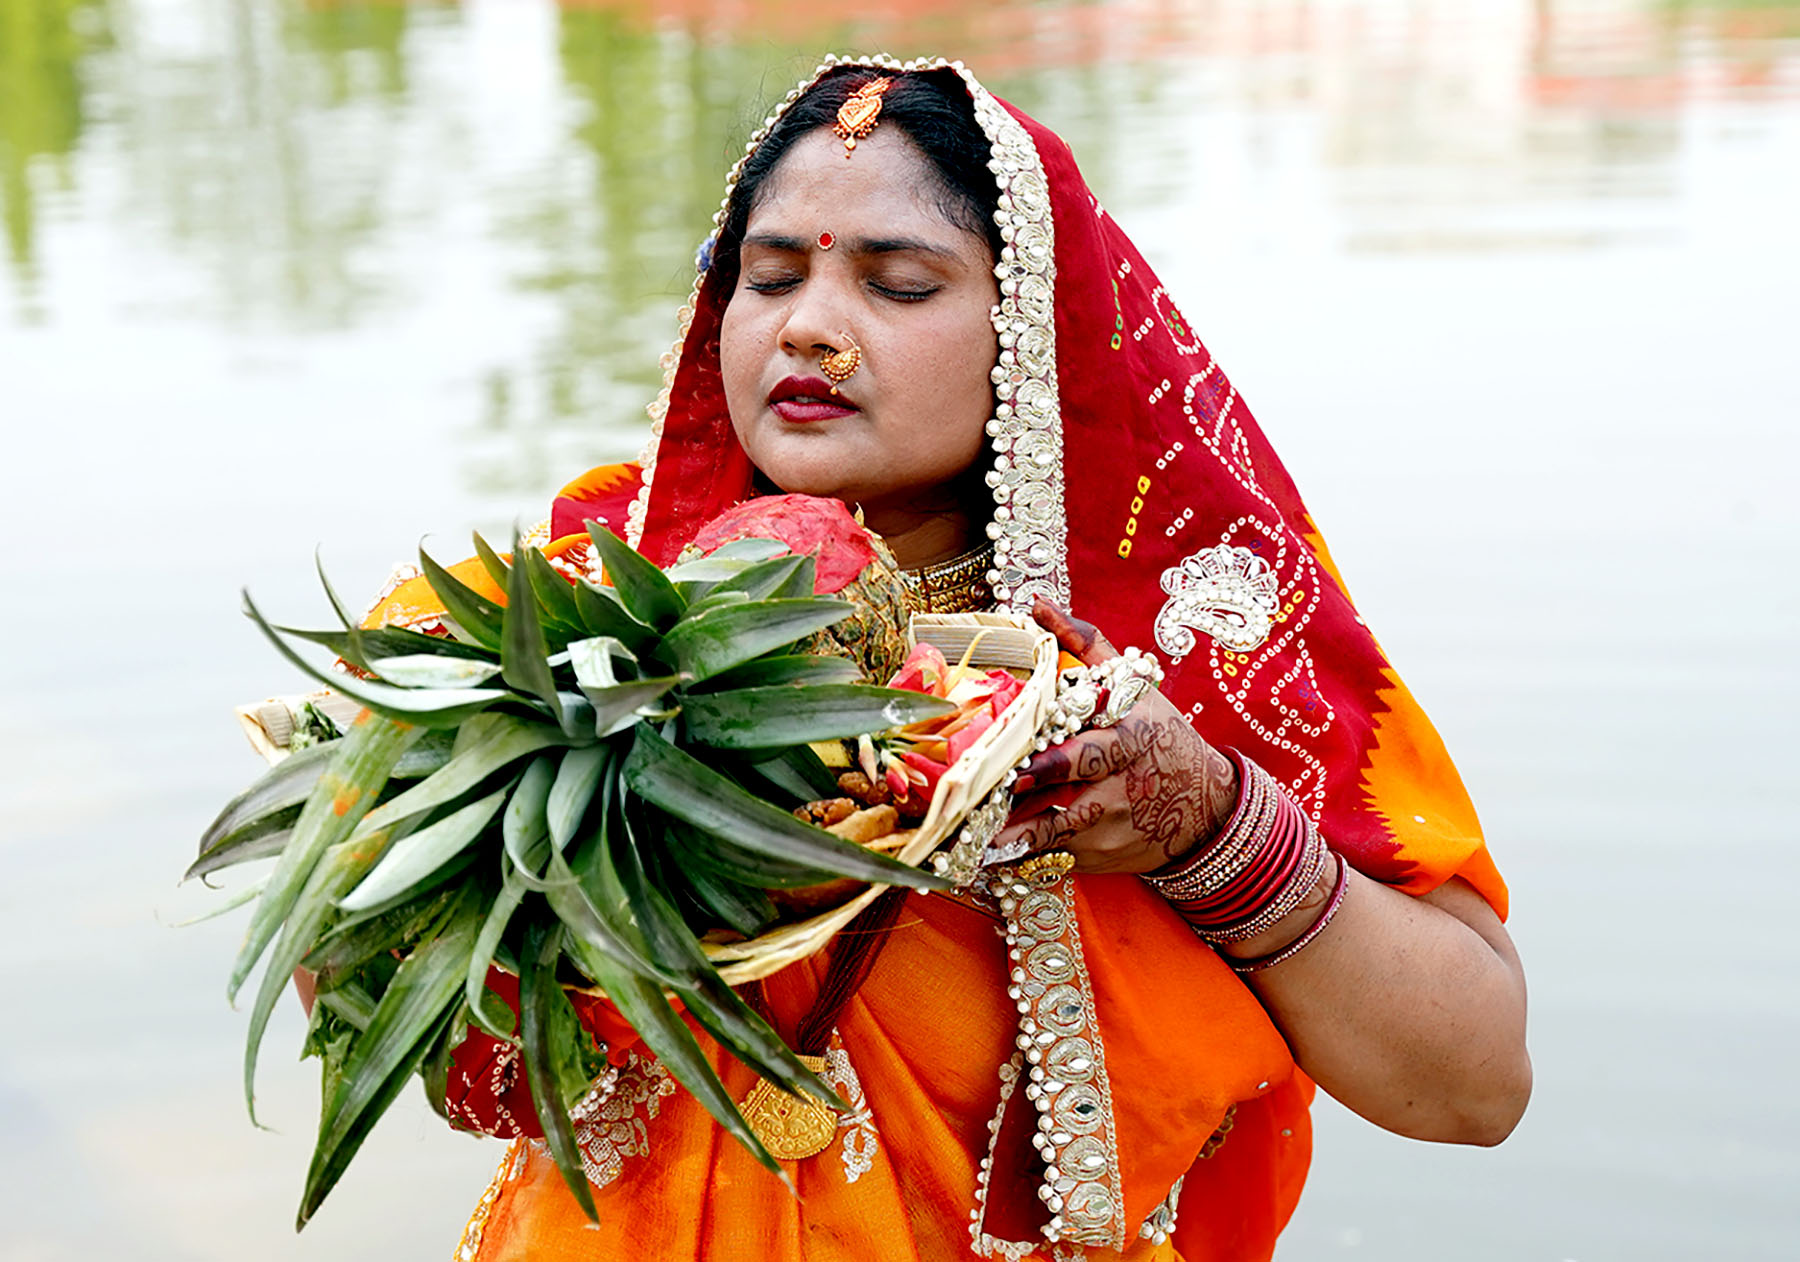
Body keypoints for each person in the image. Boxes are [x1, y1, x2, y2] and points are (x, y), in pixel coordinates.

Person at [368, 55, 1529, 1262]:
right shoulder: (579, 613)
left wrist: (1217, 830)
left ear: (1031, 325)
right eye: (768, 278)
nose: (808, 325)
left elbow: (1474, 1085)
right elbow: (460, 1073)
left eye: (900, 283)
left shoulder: (1193, 616)